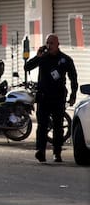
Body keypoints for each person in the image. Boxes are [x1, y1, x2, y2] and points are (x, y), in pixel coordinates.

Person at [24, 33, 79, 162]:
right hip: (43, 96)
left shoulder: (65, 60)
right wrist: (37, 56)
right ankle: (40, 151)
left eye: (52, 43)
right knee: (42, 125)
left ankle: (57, 152)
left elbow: (73, 78)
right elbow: (27, 67)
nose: (49, 46)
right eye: (47, 43)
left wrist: (73, 95)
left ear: (58, 44)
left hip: (58, 97)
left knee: (58, 126)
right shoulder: (42, 58)